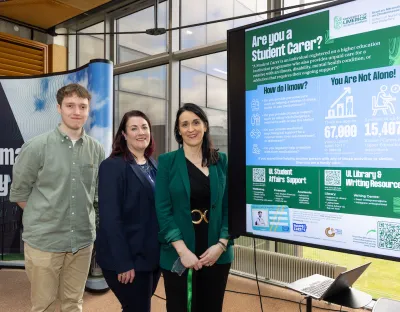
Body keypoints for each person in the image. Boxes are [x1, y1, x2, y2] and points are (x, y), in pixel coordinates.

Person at [9, 83, 105, 312]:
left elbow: (97, 197)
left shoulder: (97, 150)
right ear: (59, 107)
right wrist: (44, 218)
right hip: (44, 242)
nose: (77, 111)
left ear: (88, 110)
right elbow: (20, 194)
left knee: (73, 304)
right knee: (45, 306)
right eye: (70, 105)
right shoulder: (35, 147)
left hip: (82, 242)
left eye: (82, 106)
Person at [156, 103, 234, 312]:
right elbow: (163, 210)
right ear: (178, 131)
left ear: (205, 126)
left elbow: (230, 206)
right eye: (184, 124)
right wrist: (183, 252)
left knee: (211, 307)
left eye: (196, 122)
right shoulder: (167, 162)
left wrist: (222, 244)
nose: (191, 129)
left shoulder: (221, 161)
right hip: (179, 253)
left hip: (216, 253)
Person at [96, 110, 160, 312]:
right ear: (123, 134)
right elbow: (110, 219)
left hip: (151, 256)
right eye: (134, 128)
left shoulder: (154, 164)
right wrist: (123, 263)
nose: (141, 132)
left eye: (144, 127)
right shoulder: (112, 166)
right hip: (126, 259)